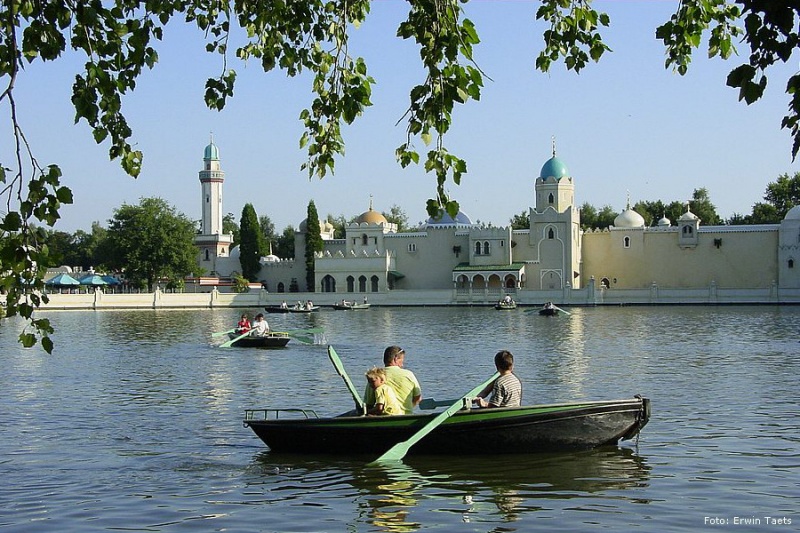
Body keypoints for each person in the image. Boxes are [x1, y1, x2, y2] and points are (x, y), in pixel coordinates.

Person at [363, 346, 422, 415]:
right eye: (402, 361)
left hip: (384, 419)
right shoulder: (409, 375)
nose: (402, 365)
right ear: (395, 359)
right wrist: (408, 407)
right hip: (407, 418)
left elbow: (368, 404)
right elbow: (418, 398)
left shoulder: (375, 377)